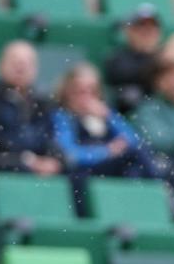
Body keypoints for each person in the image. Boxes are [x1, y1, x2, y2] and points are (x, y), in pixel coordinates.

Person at [53, 62, 158, 210]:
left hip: (111, 172)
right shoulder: (63, 117)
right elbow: (71, 155)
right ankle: (163, 194)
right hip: (84, 175)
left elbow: (134, 141)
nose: (86, 98)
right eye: (79, 92)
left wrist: (109, 117)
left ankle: (148, 203)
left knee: (136, 161)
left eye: (91, 92)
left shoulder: (105, 117)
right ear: (67, 93)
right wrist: (107, 151)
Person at [0, 40, 61, 181]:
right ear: (0, 65)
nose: (20, 67)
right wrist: (23, 160)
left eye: (26, 63)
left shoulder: (42, 102)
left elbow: (51, 140)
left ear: (35, 69)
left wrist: (54, 161)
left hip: (38, 172)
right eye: (14, 61)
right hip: (1, 173)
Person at [132, 54, 174, 192]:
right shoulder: (148, 109)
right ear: (158, 82)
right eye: (171, 76)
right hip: (168, 170)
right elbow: (158, 141)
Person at [103, 3, 163, 112]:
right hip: (135, 114)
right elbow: (124, 74)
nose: (147, 31)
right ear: (129, 31)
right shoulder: (117, 58)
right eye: (141, 26)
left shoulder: (165, 55)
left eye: (152, 27)